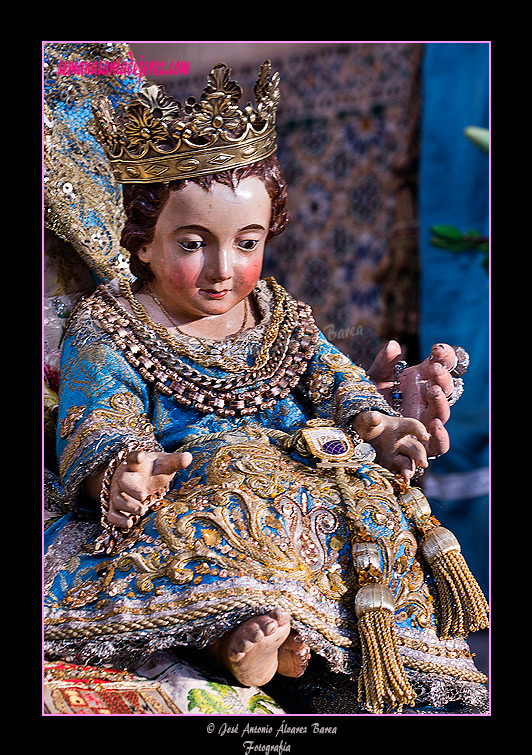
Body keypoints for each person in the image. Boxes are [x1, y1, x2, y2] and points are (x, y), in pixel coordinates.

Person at [44, 61, 488, 714]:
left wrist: (385, 424)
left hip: (305, 479)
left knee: (366, 495)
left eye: (246, 243)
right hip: (196, 481)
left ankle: (330, 643)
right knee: (234, 483)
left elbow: (338, 381)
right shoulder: (113, 322)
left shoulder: (279, 314)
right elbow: (99, 413)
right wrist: (121, 470)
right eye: (193, 243)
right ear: (142, 242)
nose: (224, 270)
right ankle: (236, 641)